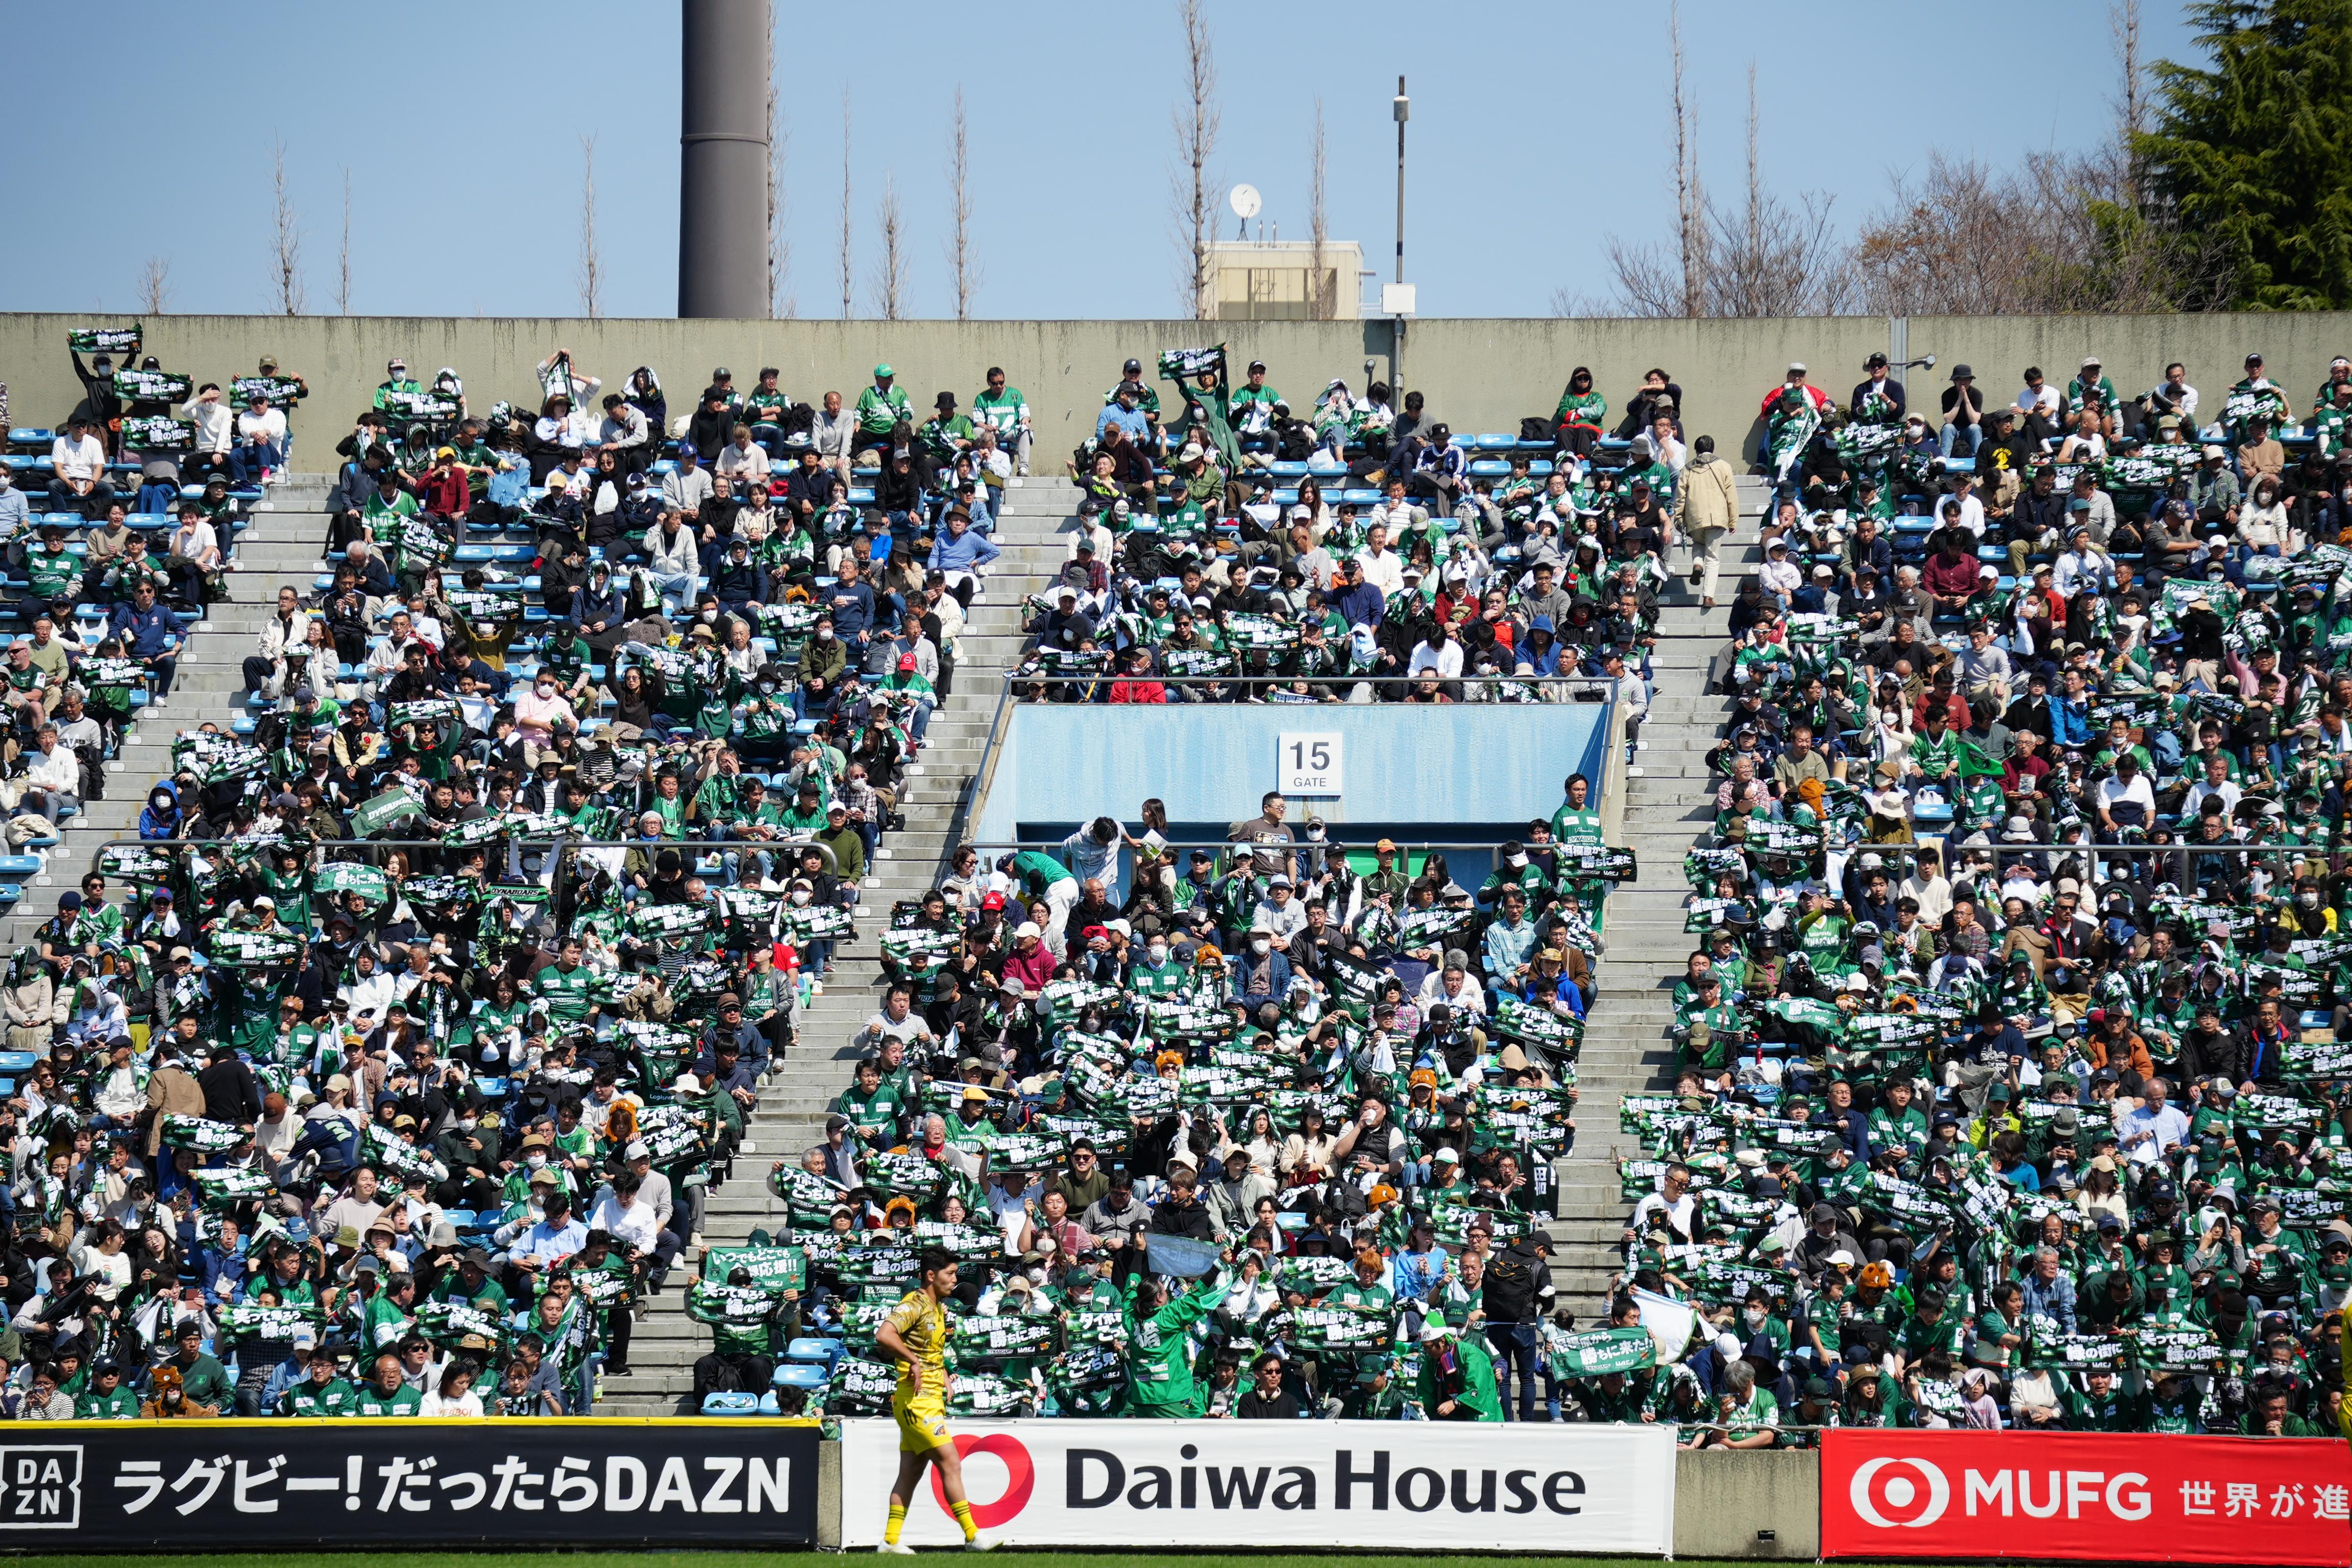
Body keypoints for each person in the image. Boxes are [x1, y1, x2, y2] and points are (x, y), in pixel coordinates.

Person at [873, 1247, 996, 1552]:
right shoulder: (913, 1304)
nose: (955, 1279)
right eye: (950, 1274)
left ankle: (890, 1541)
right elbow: (885, 1335)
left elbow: (929, 1350)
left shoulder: (937, 1307)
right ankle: (972, 1536)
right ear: (931, 1275)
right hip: (916, 1401)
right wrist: (912, 1361)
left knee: (911, 1472)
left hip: (928, 1398)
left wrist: (942, 1373)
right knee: (950, 1462)